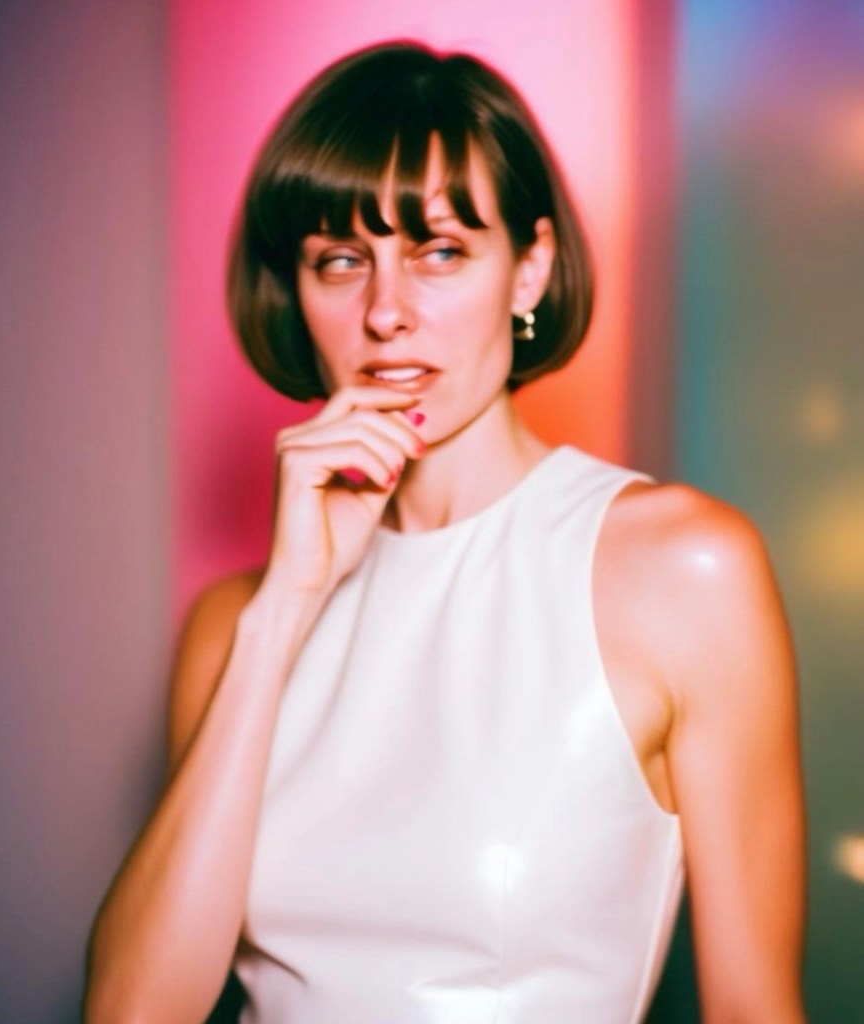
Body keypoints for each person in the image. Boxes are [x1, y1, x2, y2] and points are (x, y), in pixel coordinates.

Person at [84, 41, 806, 1024]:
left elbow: (754, 1008)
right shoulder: (230, 624)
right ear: (296, 289)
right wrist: (284, 607)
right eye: (341, 261)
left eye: (439, 253)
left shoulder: (680, 570)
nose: (386, 312)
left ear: (528, 270)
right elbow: (130, 1011)